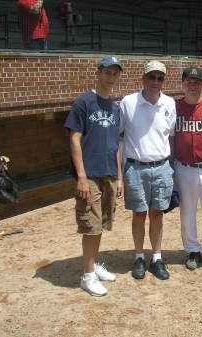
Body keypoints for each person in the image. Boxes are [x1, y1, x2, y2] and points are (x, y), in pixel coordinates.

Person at [64, 56, 124, 297]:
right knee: (90, 225)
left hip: (109, 172)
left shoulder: (116, 108)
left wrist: (119, 177)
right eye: (107, 72)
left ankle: (94, 264)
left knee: (101, 224)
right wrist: (81, 176)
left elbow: (115, 144)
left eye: (115, 73)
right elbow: (74, 138)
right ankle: (87, 276)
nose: (111, 77)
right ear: (98, 73)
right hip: (89, 174)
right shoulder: (83, 102)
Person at [120, 61, 176, 281]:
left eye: (160, 78)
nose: (155, 82)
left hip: (161, 167)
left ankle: (157, 258)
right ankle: (139, 257)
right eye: (151, 77)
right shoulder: (128, 102)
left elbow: (169, 134)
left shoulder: (169, 103)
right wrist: (119, 176)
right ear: (143, 79)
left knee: (157, 214)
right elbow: (119, 137)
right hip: (135, 168)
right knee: (139, 214)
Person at [172, 67, 202, 270]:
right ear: (183, 85)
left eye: (197, 82)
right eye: (189, 82)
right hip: (183, 167)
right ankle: (192, 250)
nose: (193, 86)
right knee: (187, 213)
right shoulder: (173, 107)